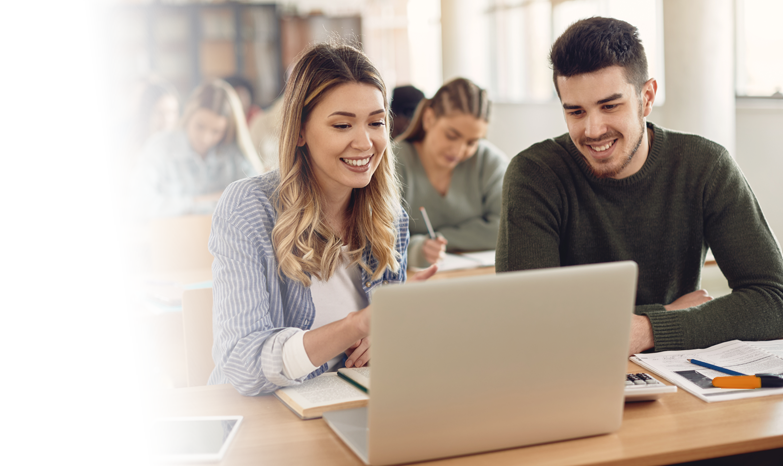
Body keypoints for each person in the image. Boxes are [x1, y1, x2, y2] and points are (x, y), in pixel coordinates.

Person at [498, 17, 783, 356]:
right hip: (571, 381)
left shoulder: (705, 166)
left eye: (610, 106)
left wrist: (646, 330)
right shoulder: (534, 175)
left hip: (679, 381)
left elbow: (777, 301)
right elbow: (526, 326)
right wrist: (666, 316)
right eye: (576, 112)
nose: (593, 130)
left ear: (646, 97)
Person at [207, 43, 437, 396]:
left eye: (376, 122)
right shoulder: (248, 208)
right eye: (342, 125)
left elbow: (384, 337)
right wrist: (356, 326)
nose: (365, 142)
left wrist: (386, 337)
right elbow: (244, 364)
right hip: (269, 414)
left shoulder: (389, 218)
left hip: (356, 402)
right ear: (299, 131)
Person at [394, 78, 508, 270]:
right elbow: (379, 239)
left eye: (472, 142)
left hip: (478, 279)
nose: (458, 150)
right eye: (451, 136)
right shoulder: (394, 162)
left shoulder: (490, 161)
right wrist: (416, 250)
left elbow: (506, 228)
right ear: (429, 119)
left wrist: (438, 238)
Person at [125, 79, 263, 223]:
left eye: (216, 131)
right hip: (170, 242)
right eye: (199, 126)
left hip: (220, 245)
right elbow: (137, 209)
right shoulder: (159, 147)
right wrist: (198, 202)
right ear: (189, 115)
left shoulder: (234, 152)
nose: (205, 138)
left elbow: (255, 205)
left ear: (227, 130)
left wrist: (177, 208)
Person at [108, 82, 180, 197]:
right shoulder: (135, 146)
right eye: (159, 113)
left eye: (173, 112)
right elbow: (114, 183)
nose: (168, 119)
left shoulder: (181, 141)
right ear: (146, 115)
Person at [104, 75, 159, 167]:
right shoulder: (116, 130)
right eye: (135, 96)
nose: (139, 101)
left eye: (144, 97)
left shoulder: (162, 129)